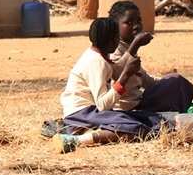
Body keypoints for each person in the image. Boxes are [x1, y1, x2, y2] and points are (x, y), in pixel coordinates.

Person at [54, 17, 169, 152]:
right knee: (135, 127)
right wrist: (126, 76)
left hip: (89, 112)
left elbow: (116, 70)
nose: (118, 41)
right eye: (116, 38)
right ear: (109, 40)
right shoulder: (97, 62)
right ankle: (76, 140)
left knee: (145, 119)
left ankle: (87, 132)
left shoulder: (97, 54)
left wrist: (135, 46)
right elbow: (102, 105)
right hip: (81, 114)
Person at [106, 1, 193, 114]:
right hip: (127, 108)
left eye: (138, 21)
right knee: (176, 82)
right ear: (115, 27)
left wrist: (165, 81)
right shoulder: (114, 50)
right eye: (129, 22)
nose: (136, 26)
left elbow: (145, 80)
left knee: (175, 81)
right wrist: (135, 45)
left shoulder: (127, 47)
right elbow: (118, 74)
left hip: (139, 101)